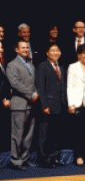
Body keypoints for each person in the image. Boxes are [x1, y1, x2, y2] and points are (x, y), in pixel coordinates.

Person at [6, 41, 38, 171]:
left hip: (31, 105)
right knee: (17, 135)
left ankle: (24, 160)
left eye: (27, 47)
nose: (26, 49)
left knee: (28, 135)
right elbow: (15, 84)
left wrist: (36, 93)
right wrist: (31, 94)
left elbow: (33, 83)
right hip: (19, 104)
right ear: (17, 50)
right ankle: (15, 161)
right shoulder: (12, 65)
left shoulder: (31, 65)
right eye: (23, 48)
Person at [36, 44, 67, 168]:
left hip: (60, 106)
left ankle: (54, 157)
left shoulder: (62, 67)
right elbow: (40, 87)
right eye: (52, 51)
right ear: (47, 53)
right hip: (48, 106)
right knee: (45, 134)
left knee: (56, 133)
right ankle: (44, 159)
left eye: (57, 51)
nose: (55, 53)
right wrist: (44, 105)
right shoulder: (42, 66)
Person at [0, 42, 11, 170]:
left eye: (2, 47)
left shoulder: (3, 64)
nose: (1, 49)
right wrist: (3, 98)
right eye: (0, 47)